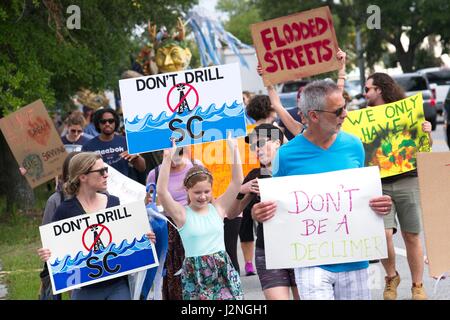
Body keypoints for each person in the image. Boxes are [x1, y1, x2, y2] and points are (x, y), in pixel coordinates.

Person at [251, 80, 392, 300]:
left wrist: (380, 204)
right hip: (309, 262)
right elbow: (273, 207)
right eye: (338, 111)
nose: (345, 114)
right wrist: (258, 213)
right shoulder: (286, 155)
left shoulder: (355, 146)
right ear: (314, 115)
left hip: (354, 259)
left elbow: (363, 197)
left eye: (344, 107)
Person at [37, 152, 156, 300]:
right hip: (85, 290)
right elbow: (55, 247)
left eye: (106, 170)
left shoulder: (114, 202)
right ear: (82, 177)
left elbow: (128, 238)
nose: (106, 175)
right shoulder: (65, 210)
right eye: (101, 171)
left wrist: (145, 238)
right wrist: (49, 253)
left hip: (118, 286)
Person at [364, 72, 432, 300]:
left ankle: (417, 285)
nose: (365, 94)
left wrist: (427, 133)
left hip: (407, 179)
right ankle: (391, 276)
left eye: (368, 89)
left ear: (379, 90)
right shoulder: (363, 118)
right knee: (382, 234)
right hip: (379, 183)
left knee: (411, 235)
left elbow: (424, 147)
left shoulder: (406, 112)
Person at [157, 136, 244, 300]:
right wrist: (167, 158)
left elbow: (237, 181)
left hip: (223, 270)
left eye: (207, 191)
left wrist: (234, 149)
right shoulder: (181, 214)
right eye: (197, 192)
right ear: (187, 190)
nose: (203, 196)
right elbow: (162, 192)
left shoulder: (218, 208)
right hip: (196, 274)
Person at [228, 123, 300, 300]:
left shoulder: (297, 169)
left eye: (260, 143)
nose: (256, 149)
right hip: (267, 250)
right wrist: (241, 191)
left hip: (300, 248)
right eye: (253, 145)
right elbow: (231, 214)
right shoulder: (255, 175)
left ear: (277, 142)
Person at [146, 147, 202, 300]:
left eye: (180, 152)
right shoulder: (155, 173)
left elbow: (208, 192)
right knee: (172, 271)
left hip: (192, 223)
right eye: (171, 154)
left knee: (198, 268)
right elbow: (151, 200)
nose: (175, 158)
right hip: (168, 227)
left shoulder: (195, 165)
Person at [265, 48, 348, 139]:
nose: (345, 114)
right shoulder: (300, 132)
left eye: (302, 110)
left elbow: (277, 105)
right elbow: (277, 105)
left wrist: (342, 66)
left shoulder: (349, 141)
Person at [82, 108, 146, 178]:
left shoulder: (126, 142)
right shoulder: (88, 146)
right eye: (103, 122)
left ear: (115, 122)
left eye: (111, 121)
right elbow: (83, 172)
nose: (107, 124)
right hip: (99, 186)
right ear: (98, 124)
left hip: (123, 186)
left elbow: (142, 168)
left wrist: (136, 156)